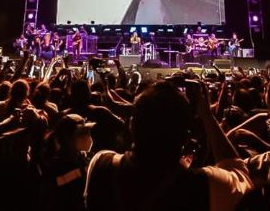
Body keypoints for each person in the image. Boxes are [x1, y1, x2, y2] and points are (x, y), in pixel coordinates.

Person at [85, 81, 252, 211]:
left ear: (131, 126)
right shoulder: (206, 185)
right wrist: (207, 115)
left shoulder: (101, 164)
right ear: (186, 137)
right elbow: (239, 173)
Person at [41, 114, 95, 211]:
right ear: (67, 138)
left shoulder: (86, 159)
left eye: (88, 132)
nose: (87, 136)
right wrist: (81, 172)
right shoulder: (54, 167)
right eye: (82, 133)